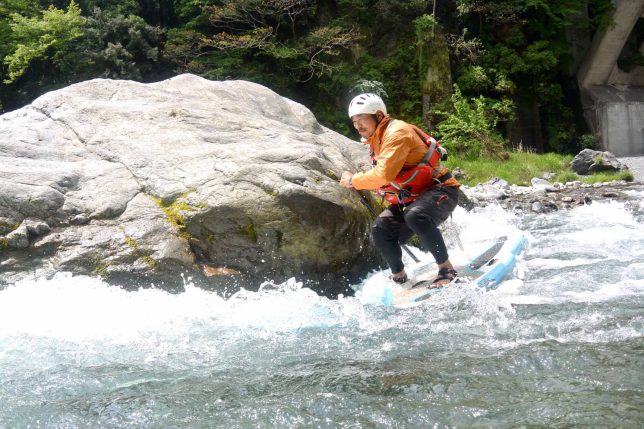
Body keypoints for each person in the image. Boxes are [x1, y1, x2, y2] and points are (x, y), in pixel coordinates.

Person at [339, 93, 460, 288]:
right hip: (413, 198)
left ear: (379, 116)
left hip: (442, 191)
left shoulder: (397, 133)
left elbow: (383, 175)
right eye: (354, 121)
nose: (358, 125)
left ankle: (446, 269)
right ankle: (399, 277)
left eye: (362, 120)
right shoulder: (376, 138)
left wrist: (353, 180)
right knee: (381, 229)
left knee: (415, 216)